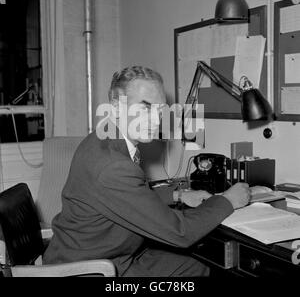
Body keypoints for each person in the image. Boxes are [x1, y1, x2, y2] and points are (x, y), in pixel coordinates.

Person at [43, 66, 250, 276]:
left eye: (160, 110)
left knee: (194, 265)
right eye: (145, 108)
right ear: (116, 107)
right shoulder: (112, 165)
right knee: (198, 268)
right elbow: (180, 232)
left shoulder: (104, 139)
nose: (156, 120)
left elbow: (130, 196)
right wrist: (228, 200)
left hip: (100, 254)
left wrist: (177, 194)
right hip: (87, 270)